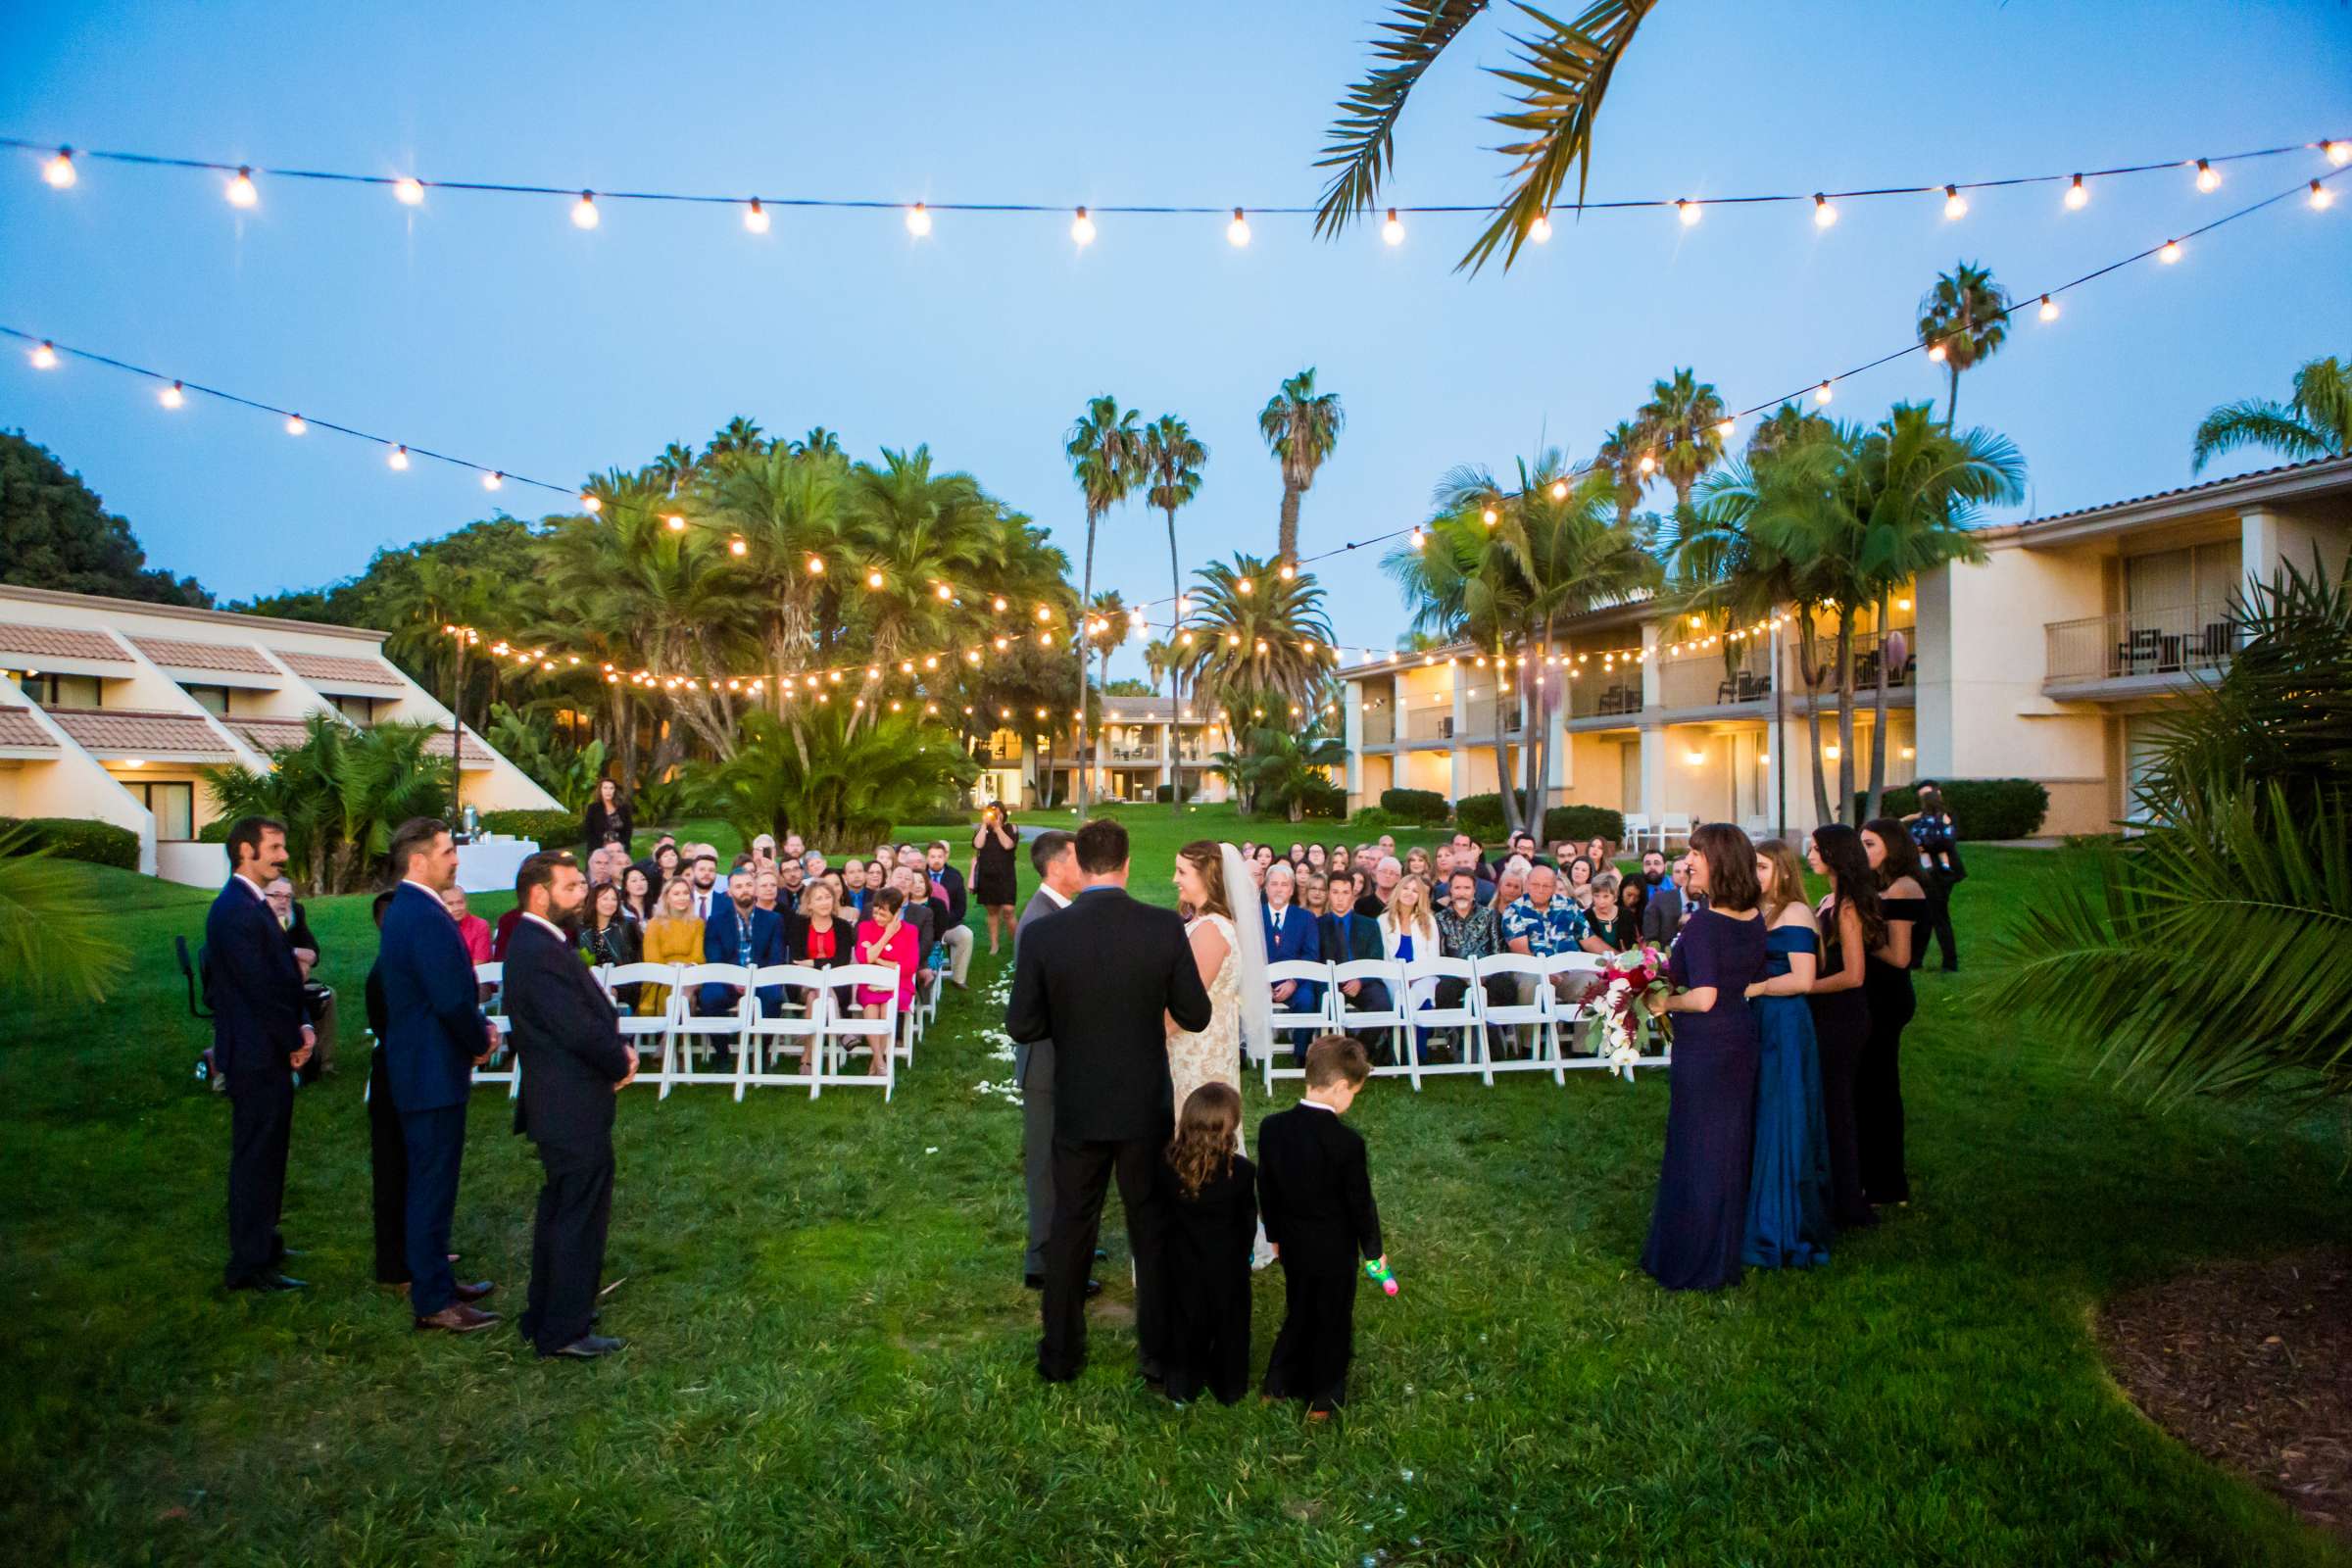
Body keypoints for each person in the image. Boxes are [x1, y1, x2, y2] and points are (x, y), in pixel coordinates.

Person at [1005, 817, 1213, 1386]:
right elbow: (1196, 1013)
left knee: (1072, 1226)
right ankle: (1158, 1357)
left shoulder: (1048, 934)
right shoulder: (1161, 928)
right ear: (1124, 864)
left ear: (1084, 862)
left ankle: (1061, 1356)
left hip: (1077, 1103)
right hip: (1143, 1104)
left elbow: (1021, 1024)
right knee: (1151, 1226)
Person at [504, 850, 634, 1360]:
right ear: (541, 894)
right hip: (568, 1102)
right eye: (572, 886)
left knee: (564, 1206)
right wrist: (618, 1058)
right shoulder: (536, 949)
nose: (583, 893)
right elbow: (574, 1026)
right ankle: (563, 1328)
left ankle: (553, 1308)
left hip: (567, 1101)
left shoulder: (544, 942)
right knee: (577, 1210)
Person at [377, 816, 502, 1333]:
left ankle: (438, 1280)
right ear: (418, 860)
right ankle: (432, 1299)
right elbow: (450, 997)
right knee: (430, 1183)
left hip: (425, 1065)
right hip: (429, 1070)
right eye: (448, 851)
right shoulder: (423, 915)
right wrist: (480, 1039)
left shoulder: (411, 910)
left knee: (433, 1182)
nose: (456, 859)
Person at [1640, 823, 1770, 1292]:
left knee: (1696, 1148)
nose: (1689, 860)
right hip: (1740, 1039)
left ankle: (1688, 1260)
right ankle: (1717, 1254)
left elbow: (1706, 997)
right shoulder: (1752, 917)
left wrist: (1663, 1003)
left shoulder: (1706, 923)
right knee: (1725, 1149)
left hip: (1708, 1047)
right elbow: (1748, 981)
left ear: (1719, 860)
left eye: (1697, 853)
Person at [208, 815, 317, 1293]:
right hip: (255, 1054)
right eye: (274, 847)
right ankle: (248, 1263)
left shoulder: (252, 905)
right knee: (256, 1157)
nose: (283, 856)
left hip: (266, 1048)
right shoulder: (234, 910)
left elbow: (281, 979)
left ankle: (264, 1242)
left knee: (270, 1154)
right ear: (245, 852)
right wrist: (293, 1040)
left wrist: (302, 1025)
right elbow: (258, 989)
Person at [1258, 1035, 1385, 1420]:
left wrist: (1275, 1236)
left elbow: (1267, 1187)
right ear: (1342, 1087)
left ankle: (1278, 1384)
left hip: (1293, 1244)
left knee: (1299, 1307)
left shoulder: (1273, 1128)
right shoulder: (1347, 1142)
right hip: (1334, 1249)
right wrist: (1374, 1251)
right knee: (1332, 1317)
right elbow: (1360, 1204)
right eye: (1354, 1094)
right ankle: (1323, 1397)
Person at [1740, 839, 1834, 1270]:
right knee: (1759, 1111)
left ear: (1781, 869)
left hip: (1784, 1021)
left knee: (1784, 1113)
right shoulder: (1757, 910)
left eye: (1761, 867)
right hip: (1758, 1020)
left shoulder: (1796, 912)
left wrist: (1755, 988)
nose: (1755, 875)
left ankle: (1784, 1224)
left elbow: (1803, 980)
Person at [1013, 830, 1088, 1292]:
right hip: (1046, 1060)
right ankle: (1042, 1259)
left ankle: (1066, 1239)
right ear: (1057, 867)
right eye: (1078, 859)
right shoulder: (1040, 920)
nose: (1084, 867)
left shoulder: (1060, 913)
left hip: (1062, 1059)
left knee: (1066, 1156)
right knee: (1044, 1161)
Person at [1167, 843, 1270, 1162]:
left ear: (1208, 877)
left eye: (1182, 872)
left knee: (1199, 1119)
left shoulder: (1211, 930)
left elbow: (1189, 1002)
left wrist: (1149, 1036)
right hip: (1204, 1037)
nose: (1175, 879)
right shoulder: (1207, 923)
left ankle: (1205, 1189)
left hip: (1199, 1045)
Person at [1155, 1082, 1256, 1406]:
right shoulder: (1241, 1173)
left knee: (1185, 1324)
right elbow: (1247, 1222)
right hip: (1228, 1265)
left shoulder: (1167, 1165)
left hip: (1181, 1263)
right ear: (1231, 1126)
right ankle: (1230, 1387)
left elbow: (1160, 1215)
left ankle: (1182, 1387)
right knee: (1231, 1324)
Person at [1805, 826, 1881, 1231]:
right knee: (1827, 1104)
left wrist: (1806, 987)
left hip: (1842, 1014)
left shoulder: (1848, 907)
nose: (1811, 854)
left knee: (1838, 1107)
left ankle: (1849, 1202)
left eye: (1817, 849)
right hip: (1824, 1013)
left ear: (1835, 854)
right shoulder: (1827, 900)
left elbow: (1854, 974)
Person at [1859, 819, 1928, 1208]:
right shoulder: (1883, 887)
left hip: (1888, 996)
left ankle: (1887, 1184)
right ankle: (1873, 1176)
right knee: (1870, 1088)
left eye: (1870, 844)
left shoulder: (1904, 888)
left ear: (1893, 846)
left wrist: (1859, 944)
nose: (1863, 851)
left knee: (1880, 1089)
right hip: (1875, 994)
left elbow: (1900, 956)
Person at [361, 890, 415, 1295]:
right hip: (395, 1076)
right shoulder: (386, 971)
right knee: (394, 1169)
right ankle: (395, 1262)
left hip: (402, 1071)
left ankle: (414, 1248)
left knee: (410, 1169)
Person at [1319, 867, 1389, 1057]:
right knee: (1325, 1005)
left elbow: (1375, 959)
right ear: (1328, 894)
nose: (1340, 898)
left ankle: (1359, 1052)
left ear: (1353, 894)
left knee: (1382, 1004)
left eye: (1345, 893)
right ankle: (1344, 1051)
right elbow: (1316, 959)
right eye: (1335, 892)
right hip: (1330, 984)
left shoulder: (1369, 924)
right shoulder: (1318, 925)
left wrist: (1360, 980)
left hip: (1363, 982)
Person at [702, 865, 787, 1018]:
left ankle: (762, 1043)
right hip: (727, 981)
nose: (745, 890)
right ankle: (721, 1043)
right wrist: (734, 980)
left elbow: (776, 958)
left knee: (773, 996)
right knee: (710, 996)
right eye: (738, 886)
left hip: (761, 980)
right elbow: (714, 958)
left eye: (748, 885)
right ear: (729, 892)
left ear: (755, 888)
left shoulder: (773, 920)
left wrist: (754, 980)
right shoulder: (716, 921)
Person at [854, 887, 919, 1075]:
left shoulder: (910, 931)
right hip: (870, 985)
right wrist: (886, 936)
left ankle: (877, 1063)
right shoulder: (865, 927)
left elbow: (908, 967)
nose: (878, 918)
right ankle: (880, 1060)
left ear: (897, 912)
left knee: (886, 1007)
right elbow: (864, 959)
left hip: (899, 986)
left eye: (883, 914)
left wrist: (878, 958)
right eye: (876, 913)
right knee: (872, 1008)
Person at [1377, 873, 1442, 1062]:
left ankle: (1416, 1055)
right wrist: (1402, 977)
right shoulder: (1383, 920)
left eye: (1415, 891)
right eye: (1405, 888)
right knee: (1401, 996)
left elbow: (1433, 956)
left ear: (1420, 896)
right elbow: (1383, 958)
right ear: (1398, 891)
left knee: (1423, 999)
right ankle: (1402, 1050)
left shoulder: (1428, 921)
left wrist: (1416, 975)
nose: (1409, 893)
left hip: (1423, 975)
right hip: (1393, 976)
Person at [1903, 782, 1965, 972]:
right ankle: (1915, 959)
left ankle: (1950, 961)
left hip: (1942, 874)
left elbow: (1947, 842)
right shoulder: (1922, 819)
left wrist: (1924, 847)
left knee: (1937, 915)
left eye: (1927, 795)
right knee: (1925, 916)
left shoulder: (1946, 816)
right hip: (1927, 872)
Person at [1434, 868, 1509, 1019]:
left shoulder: (1490, 915)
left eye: (1467, 888)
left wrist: (1484, 975)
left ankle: (1496, 1036)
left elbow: (1497, 950)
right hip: (1455, 975)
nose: (1462, 893)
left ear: (1474, 890)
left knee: (1504, 985)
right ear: (1451, 890)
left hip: (1487, 973)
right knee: (1445, 989)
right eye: (1457, 888)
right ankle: (1455, 1037)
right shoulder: (1440, 918)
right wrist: (1462, 976)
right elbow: (1441, 955)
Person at [1262, 861, 1322, 1025]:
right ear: (1266, 888)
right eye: (1274, 884)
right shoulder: (1254, 916)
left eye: (1284, 884)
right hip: (1261, 982)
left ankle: (1301, 1050)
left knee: (1307, 999)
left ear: (1291, 890)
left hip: (1294, 981)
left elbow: (1311, 955)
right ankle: (1253, 1049)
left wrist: (1293, 982)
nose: (1279, 889)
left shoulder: (1305, 918)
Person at [638, 876, 703, 1021]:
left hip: (691, 975)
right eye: (676, 894)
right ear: (667, 897)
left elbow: (698, 956)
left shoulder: (698, 923)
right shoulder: (654, 924)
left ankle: (667, 1039)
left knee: (685, 986)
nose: (682, 897)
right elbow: (652, 959)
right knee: (684, 995)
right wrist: (672, 969)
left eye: (685, 893)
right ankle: (675, 1039)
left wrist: (685, 967)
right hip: (662, 976)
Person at [926, 840, 974, 989]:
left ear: (945, 857)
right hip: (924, 927)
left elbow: (961, 908)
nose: (936, 860)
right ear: (927, 858)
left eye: (939, 856)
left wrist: (943, 922)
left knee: (966, 935)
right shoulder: (919, 876)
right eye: (933, 856)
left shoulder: (955, 876)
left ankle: (958, 979)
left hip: (948, 925)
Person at [261, 875, 319, 979]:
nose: (284, 901)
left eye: (288, 896)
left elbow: (310, 945)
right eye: (277, 895)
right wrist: (294, 952)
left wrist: (306, 960)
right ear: (263, 896)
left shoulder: (296, 910)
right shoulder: (252, 913)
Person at [578, 880, 639, 971]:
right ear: (594, 901)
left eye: (614, 899)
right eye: (605, 898)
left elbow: (638, 958)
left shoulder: (627, 925)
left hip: (626, 979)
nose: (610, 903)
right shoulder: (583, 931)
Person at [440, 883, 493, 967]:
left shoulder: (480, 925)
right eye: (450, 904)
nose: (457, 908)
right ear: (441, 905)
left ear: (466, 902)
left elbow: (480, 962)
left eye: (460, 902)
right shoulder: (436, 927)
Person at [580, 778, 631, 860]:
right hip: (598, 849)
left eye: (611, 788)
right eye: (605, 788)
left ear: (615, 790)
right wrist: (601, 847)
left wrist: (619, 846)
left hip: (619, 848)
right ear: (600, 790)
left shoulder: (623, 808)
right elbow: (588, 830)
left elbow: (628, 830)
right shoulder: (593, 808)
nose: (608, 791)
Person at [1353, 855, 1400, 920]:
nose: (1387, 876)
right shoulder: (1361, 904)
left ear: (1398, 878)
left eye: (1392, 873)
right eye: (1384, 871)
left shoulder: (1401, 905)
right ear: (1377, 874)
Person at [686, 853, 721, 922]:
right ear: (693, 873)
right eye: (702, 869)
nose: (707, 873)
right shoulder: (683, 900)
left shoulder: (727, 902)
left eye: (711, 870)